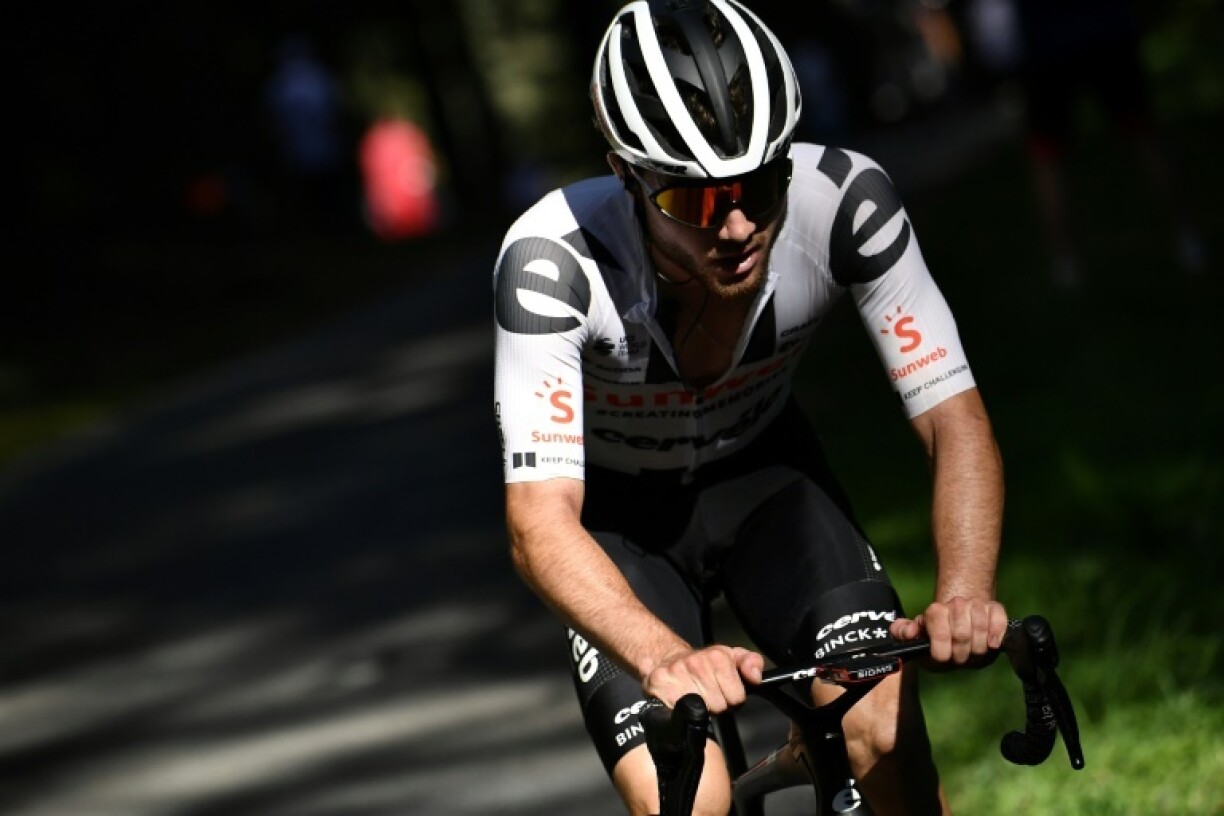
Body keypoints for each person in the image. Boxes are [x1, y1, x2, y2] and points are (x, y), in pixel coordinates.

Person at [492, 2, 1007, 813]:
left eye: (760, 188)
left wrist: (965, 591)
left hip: (768, 481)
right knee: (686, 799)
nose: (736, 226)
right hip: (622, 524)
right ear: (625, 174)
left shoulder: (847, 202)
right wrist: (662, 656)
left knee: (884, 736)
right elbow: (539, 520)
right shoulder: (551, 263)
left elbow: (954, 419)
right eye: (693, 204)